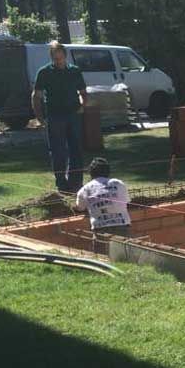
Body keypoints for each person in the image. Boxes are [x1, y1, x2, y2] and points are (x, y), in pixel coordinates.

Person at [32, 40, 88, 194]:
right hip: (55, 116)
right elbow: (36, 96)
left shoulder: (74, 71)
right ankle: (61, 183)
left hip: (73, 114)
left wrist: (82, 105)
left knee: (76, 149)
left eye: (60, 58)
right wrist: (39, 117)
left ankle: (76, 181)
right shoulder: (44, 72)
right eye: (55, 58)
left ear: (65, 56)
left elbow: (83, 92)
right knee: (58, 150)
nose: (58, 61)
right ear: (51, 57)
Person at [75, 158, 132, 237]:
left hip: (100, 228)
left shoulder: (85, 189)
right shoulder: (118, 183)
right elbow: (127, 201)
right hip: (122, 225)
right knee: (123, 245)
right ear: (108, 171)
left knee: (102, 245)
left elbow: (80, 208)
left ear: (91, 172)